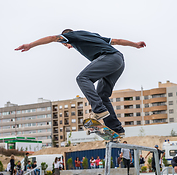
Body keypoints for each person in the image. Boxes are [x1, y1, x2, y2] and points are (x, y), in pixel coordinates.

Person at [15, 29, 146, 135]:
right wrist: (135, 44)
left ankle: (98, 110)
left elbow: (52, 38)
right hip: (119, 62)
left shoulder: (71, 36)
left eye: (66, 45)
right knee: (102, 95)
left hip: (109, 59)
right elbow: (116, 41)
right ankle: (117, 129)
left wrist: (30, 45)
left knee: (82, 78)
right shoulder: (92, 35)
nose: (67, 47)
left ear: (66, 38)